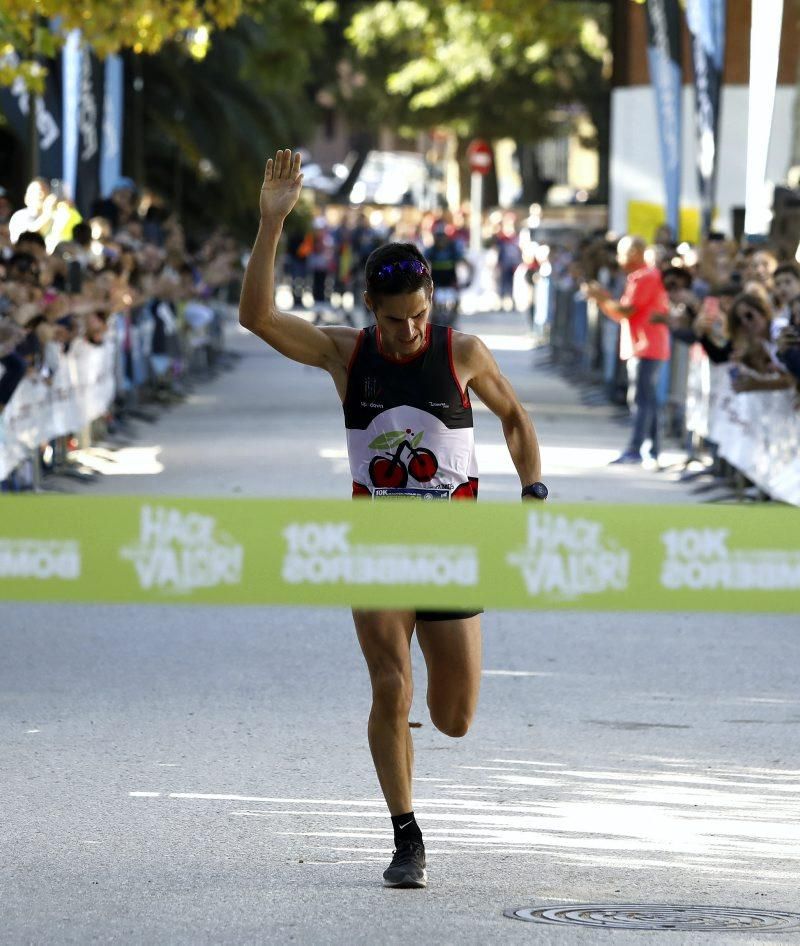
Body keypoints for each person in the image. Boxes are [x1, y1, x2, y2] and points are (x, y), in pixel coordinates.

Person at [238, 149, 546, 890]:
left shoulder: (462, 352)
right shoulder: (349, 357)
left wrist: (533, 490)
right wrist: (271, 224)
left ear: (432, 302)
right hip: (375, 543)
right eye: (393, 322)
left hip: (452, 548)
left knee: (454, 716)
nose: (407, 335)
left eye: (416, 319)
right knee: (388, 686)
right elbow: (257, 317)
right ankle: (406, 836)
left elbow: (515, 417)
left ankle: (411, 735)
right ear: (369, 312)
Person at [585, 235, 670, 465]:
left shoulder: (646, 277)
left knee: (642, 398)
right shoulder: (637, 277)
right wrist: (603, 301)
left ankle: (637, 448)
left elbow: (626, 311)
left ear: (635, 253)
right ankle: (650, 450)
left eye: (622, 253)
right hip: (640, 345)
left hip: (647, 346)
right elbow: (620, 313)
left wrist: (602, 298)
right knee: (645, 398)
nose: (618, 259)